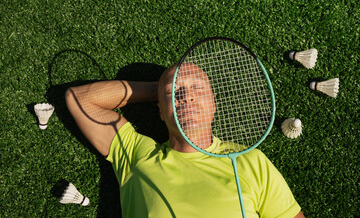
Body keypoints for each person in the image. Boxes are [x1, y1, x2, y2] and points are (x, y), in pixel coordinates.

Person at [65, 63, 305, 218]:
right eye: (175, 91)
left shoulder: (248, 160)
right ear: (160, 111)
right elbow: (79, 100)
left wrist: (168, 90)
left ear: (213, 103)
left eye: (197, 88)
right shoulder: (137, 155)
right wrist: (159, 88)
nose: (187, 95)